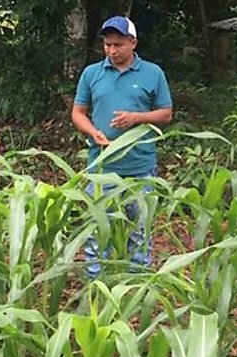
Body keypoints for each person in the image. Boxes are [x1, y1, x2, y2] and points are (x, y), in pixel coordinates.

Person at [71, 15, 173, 277]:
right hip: (101, 166)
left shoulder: (153, 73)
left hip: (140, 166)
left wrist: (137, 118)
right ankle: (96, 282)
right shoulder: (92, 73)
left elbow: (165, 114)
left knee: (140, 229)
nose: (112, 51)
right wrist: (93, 132)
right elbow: (78, 112)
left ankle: (137, 282)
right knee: (97, 228)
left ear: (133, 43)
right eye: (107, 45)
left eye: (118, 45)